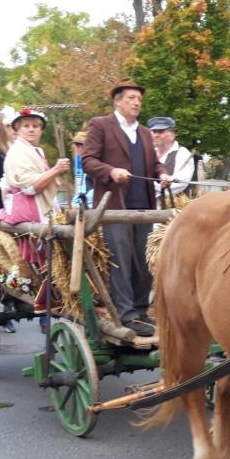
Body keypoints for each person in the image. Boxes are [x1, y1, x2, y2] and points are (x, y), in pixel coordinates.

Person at [82, 79, 170, 337]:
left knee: (143, 260)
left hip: (144, 206)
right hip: (114, 206)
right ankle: (126, 314)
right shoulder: (101, 125)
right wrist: (111, 171)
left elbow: (154, 165)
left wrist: (163, 173)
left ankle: (142, 311)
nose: (136, 102)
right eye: (131, 98)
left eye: (139, 99)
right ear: (117, 100)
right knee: (120, 258)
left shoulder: (144, 132)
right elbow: (87, 160)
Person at [0, 108, 70, 313]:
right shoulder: (18, 152)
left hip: (40, 204)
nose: (32, 130)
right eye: (27, 126)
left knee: (55, 244)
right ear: (18, 130)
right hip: (27, 207)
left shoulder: (34, 150)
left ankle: (55, 290)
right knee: (46, 244)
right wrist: (55, 170)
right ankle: (47, 293)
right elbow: (30, 187)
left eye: (36, 126)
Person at [147, 117, 195, 198]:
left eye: (161, 132)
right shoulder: (150, 153)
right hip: (148, 206)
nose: (156, 135)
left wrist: (147, 186)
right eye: (154, 131)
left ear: (172, 135)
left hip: (174, 208)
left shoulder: (182, 153)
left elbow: (179, 184)